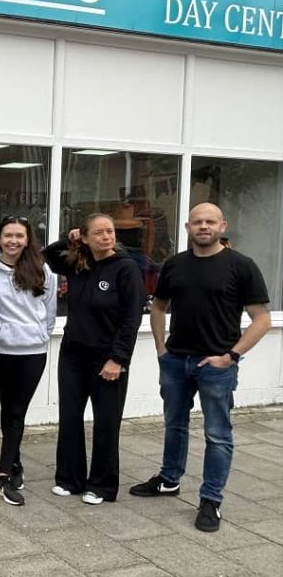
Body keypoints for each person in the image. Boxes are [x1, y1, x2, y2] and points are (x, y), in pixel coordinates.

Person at [129, 203, 271, 532]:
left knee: (217, 434)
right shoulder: (175, 265)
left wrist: (231, 356)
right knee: (174, 425)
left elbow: (261, 319)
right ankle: (169, 479)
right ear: (187, 227)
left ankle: (211, 500)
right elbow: (159, 307)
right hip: (177, 361)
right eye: (197, 222)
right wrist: (163, 349)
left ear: (222, 226)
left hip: (217, 365)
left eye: (210, 222)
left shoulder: (241, 266)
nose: (203, 226)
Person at [43, 213, 143, 505]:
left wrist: (118, 360)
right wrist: (70, 237)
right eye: (98, 232)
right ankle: (69, 479)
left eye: (109, 232)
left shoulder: (126, 269)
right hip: (73, 354)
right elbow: (49, 256)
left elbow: (131, 319)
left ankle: (101, 485)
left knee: (106, 422)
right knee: (70, 417)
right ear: (85, 237)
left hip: (108, 358)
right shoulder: (78, 264)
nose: (106, 237)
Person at [0, 216, 57, 506]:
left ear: (27, 240)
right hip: (0, 349)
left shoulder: (42, 269)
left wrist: (40, 335)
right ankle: (14, 464)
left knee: (17, 410)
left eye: (19, 236)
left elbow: (49, 311)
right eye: (8, 235)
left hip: (32, 351)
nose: (13, 241)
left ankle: (2, 475)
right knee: (8, 407)